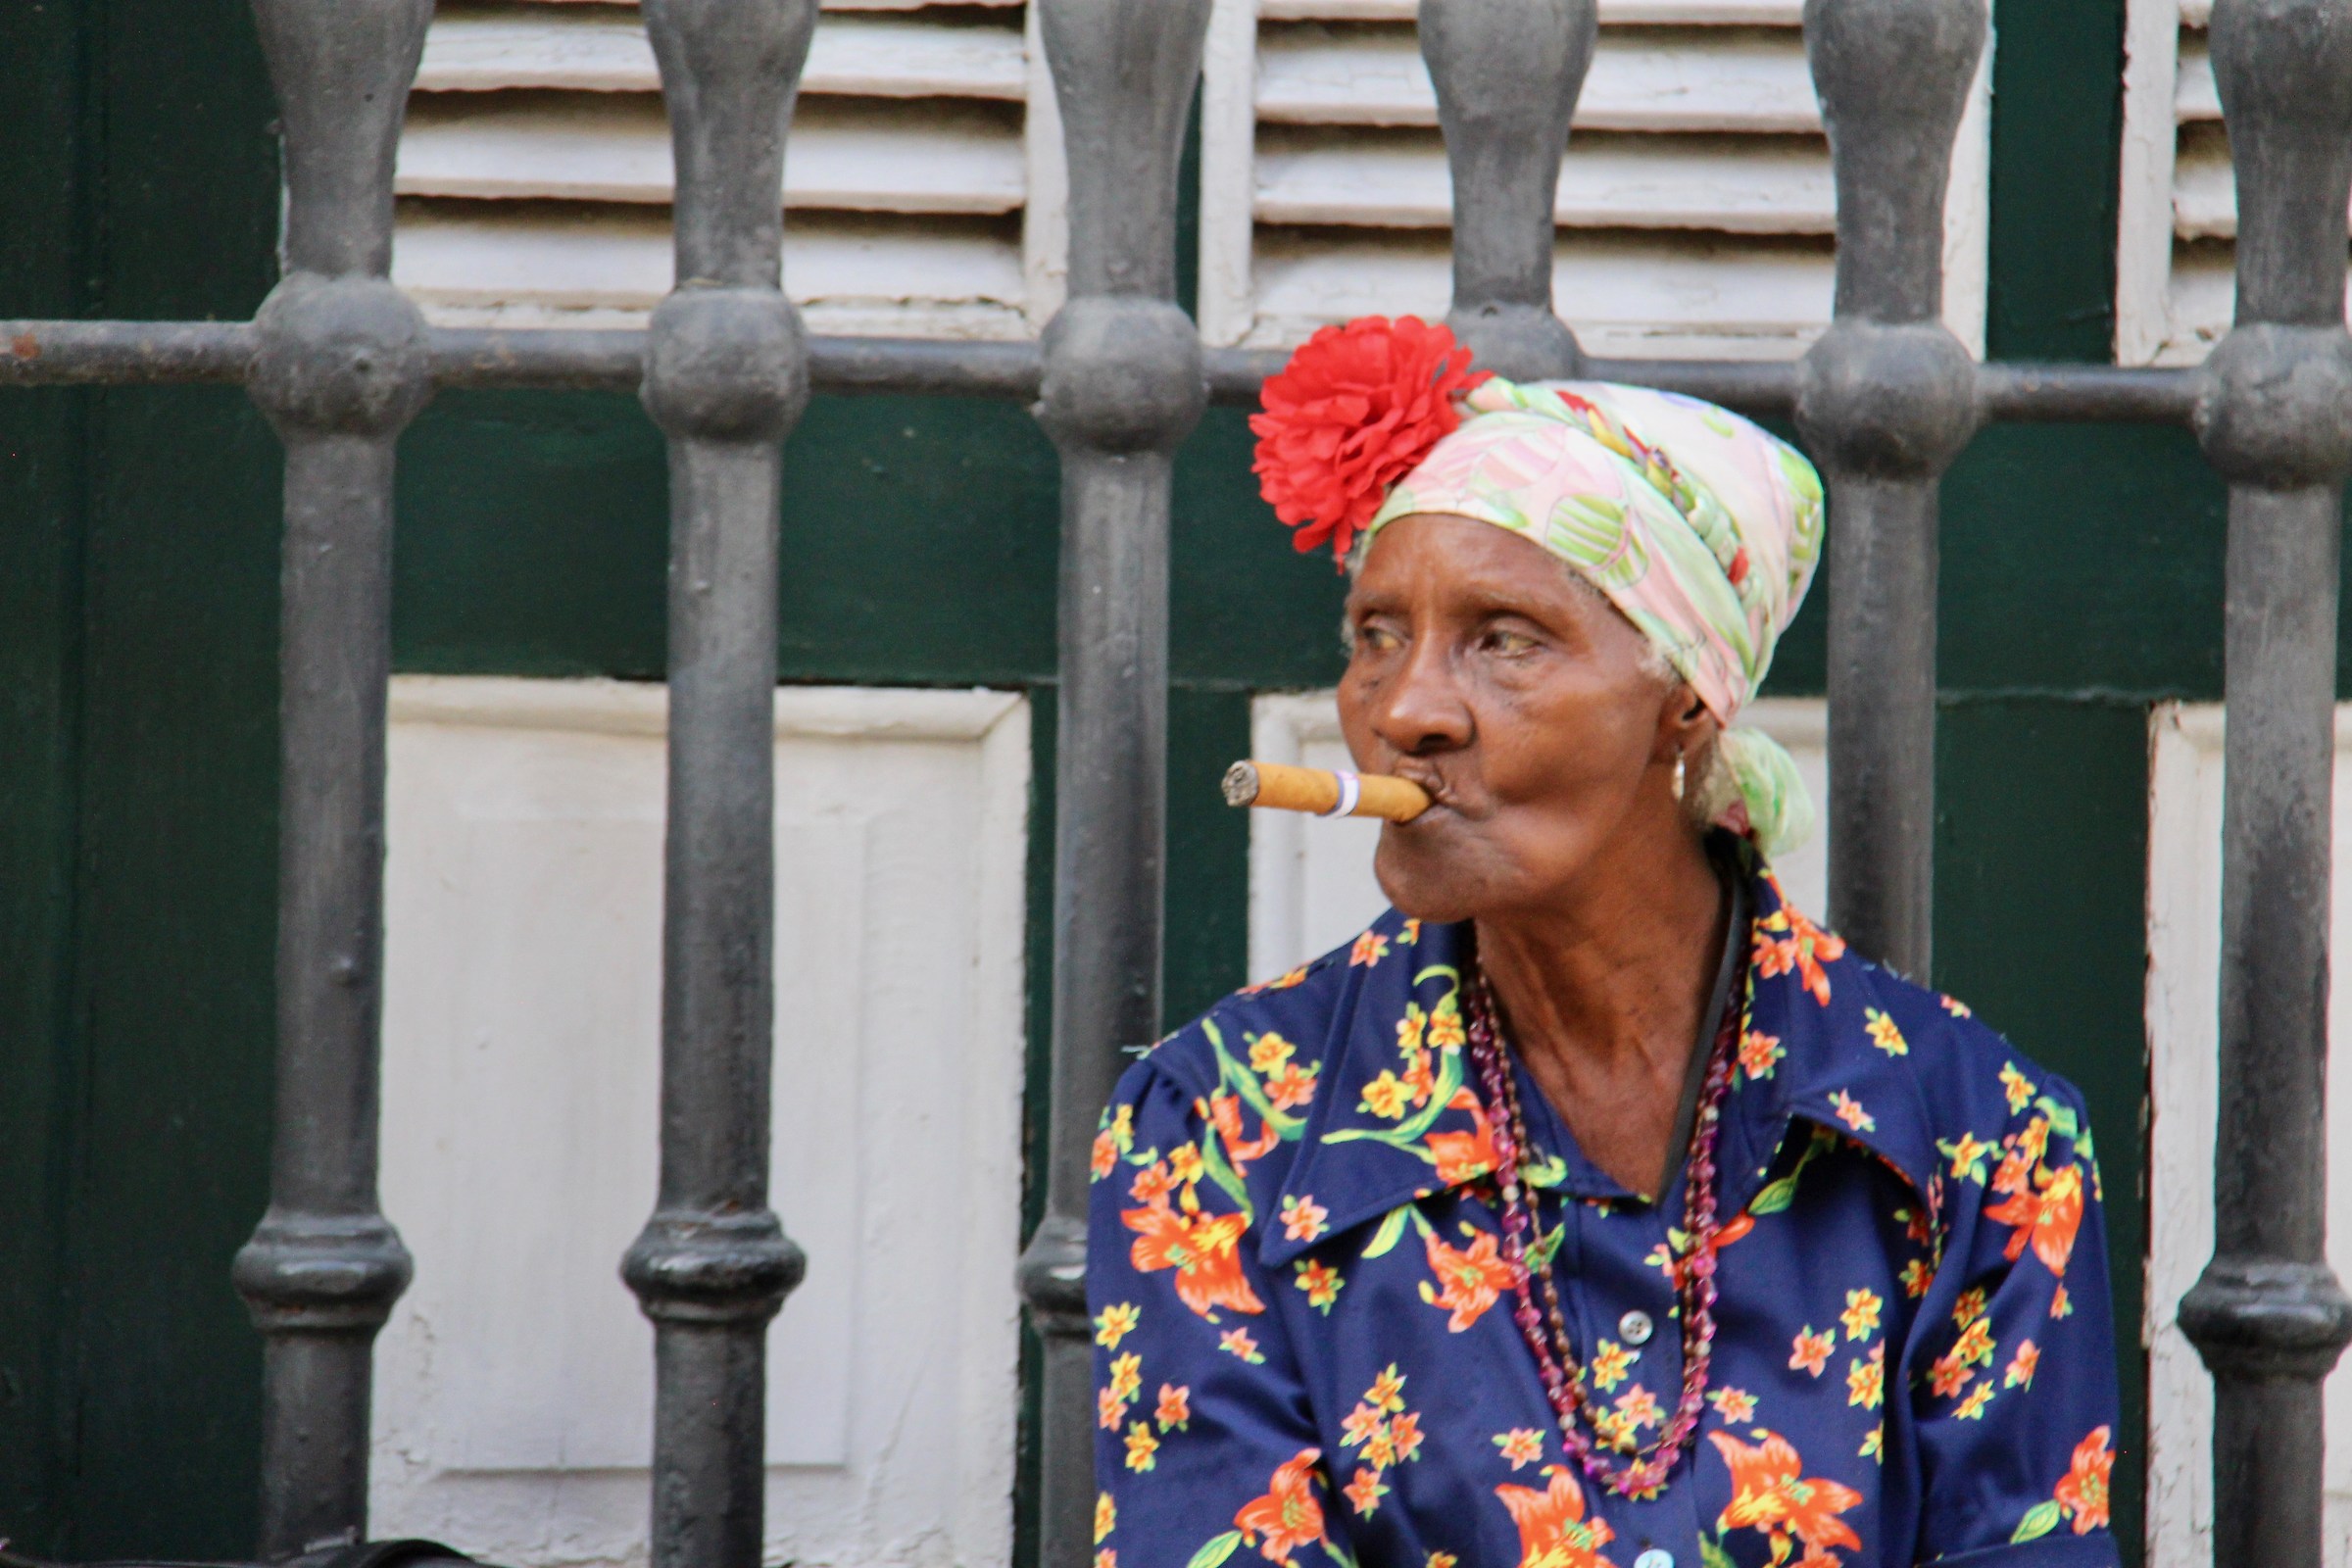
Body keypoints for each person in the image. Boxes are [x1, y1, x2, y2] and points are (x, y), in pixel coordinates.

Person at [1085, 318, 2120, 1568]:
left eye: (1502, 639)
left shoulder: (1979, 1145)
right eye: (1375, 636)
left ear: (1685, 699)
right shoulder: (1220, 1129)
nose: (1404, 709)